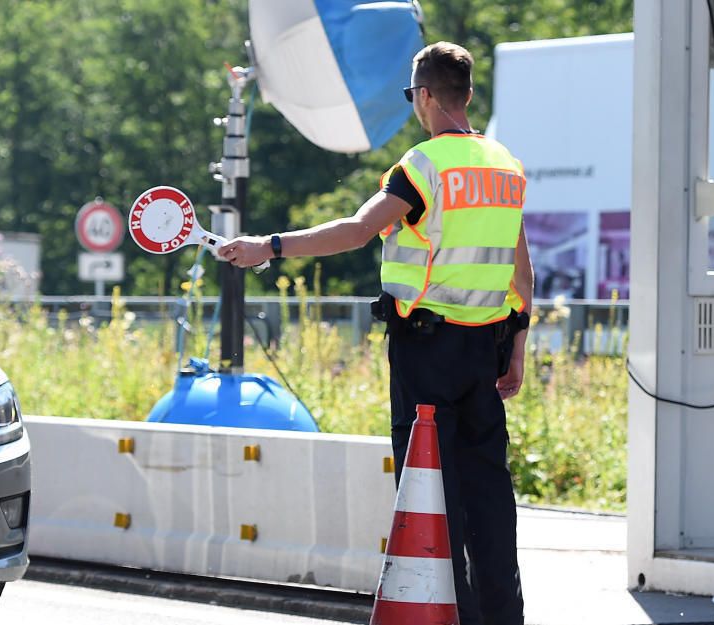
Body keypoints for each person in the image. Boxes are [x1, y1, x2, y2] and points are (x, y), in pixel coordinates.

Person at [221, 41, 532, 625]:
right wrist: (517, 347)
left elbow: (358, 231)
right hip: (484, 352)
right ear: (465, 94)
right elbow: (522, 268)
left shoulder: (421, 166)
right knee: (490, 497)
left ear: (426, 97)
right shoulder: (506, 166)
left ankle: (449, 617)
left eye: (413, 95)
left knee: (432, 495)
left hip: (428, 354)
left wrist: (270, 246)